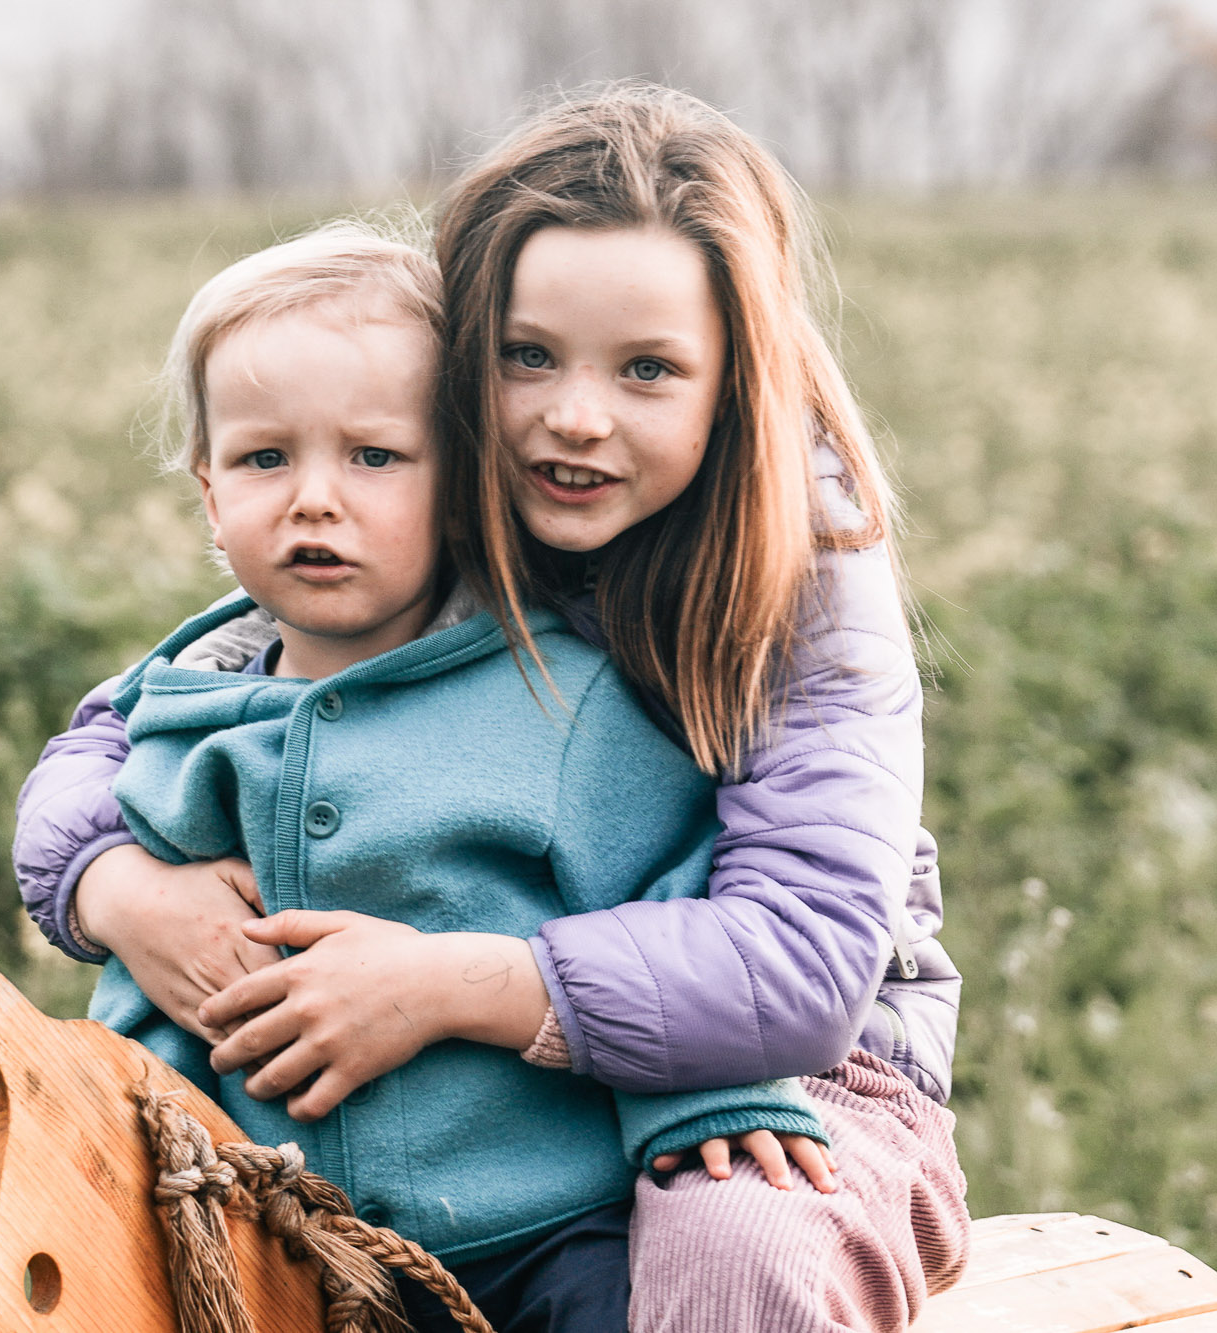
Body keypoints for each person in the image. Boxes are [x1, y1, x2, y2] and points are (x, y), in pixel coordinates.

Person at [17, 85, 968, 1331]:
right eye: (528, 356)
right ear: (458, 370)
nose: (576, 415)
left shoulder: (799, 555)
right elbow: (125, 734)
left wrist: (439, 985)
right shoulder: (417, 492)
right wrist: (117, 887)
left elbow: (801, 964)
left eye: (648, 369)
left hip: (792, 1060)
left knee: (730, 1245)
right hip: (498, 1068)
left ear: (734, 381)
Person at [86, 222, 830, 1333]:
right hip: (284, 1240)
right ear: (207, 491)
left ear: (464, 478)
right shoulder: (180, 717)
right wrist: (145, 1137)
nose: (314, 499)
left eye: (374, 457)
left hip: (542, 1226)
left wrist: (708, 1096)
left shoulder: (558, 696)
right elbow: (148, 982)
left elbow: (677, 893)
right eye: (264, 459)